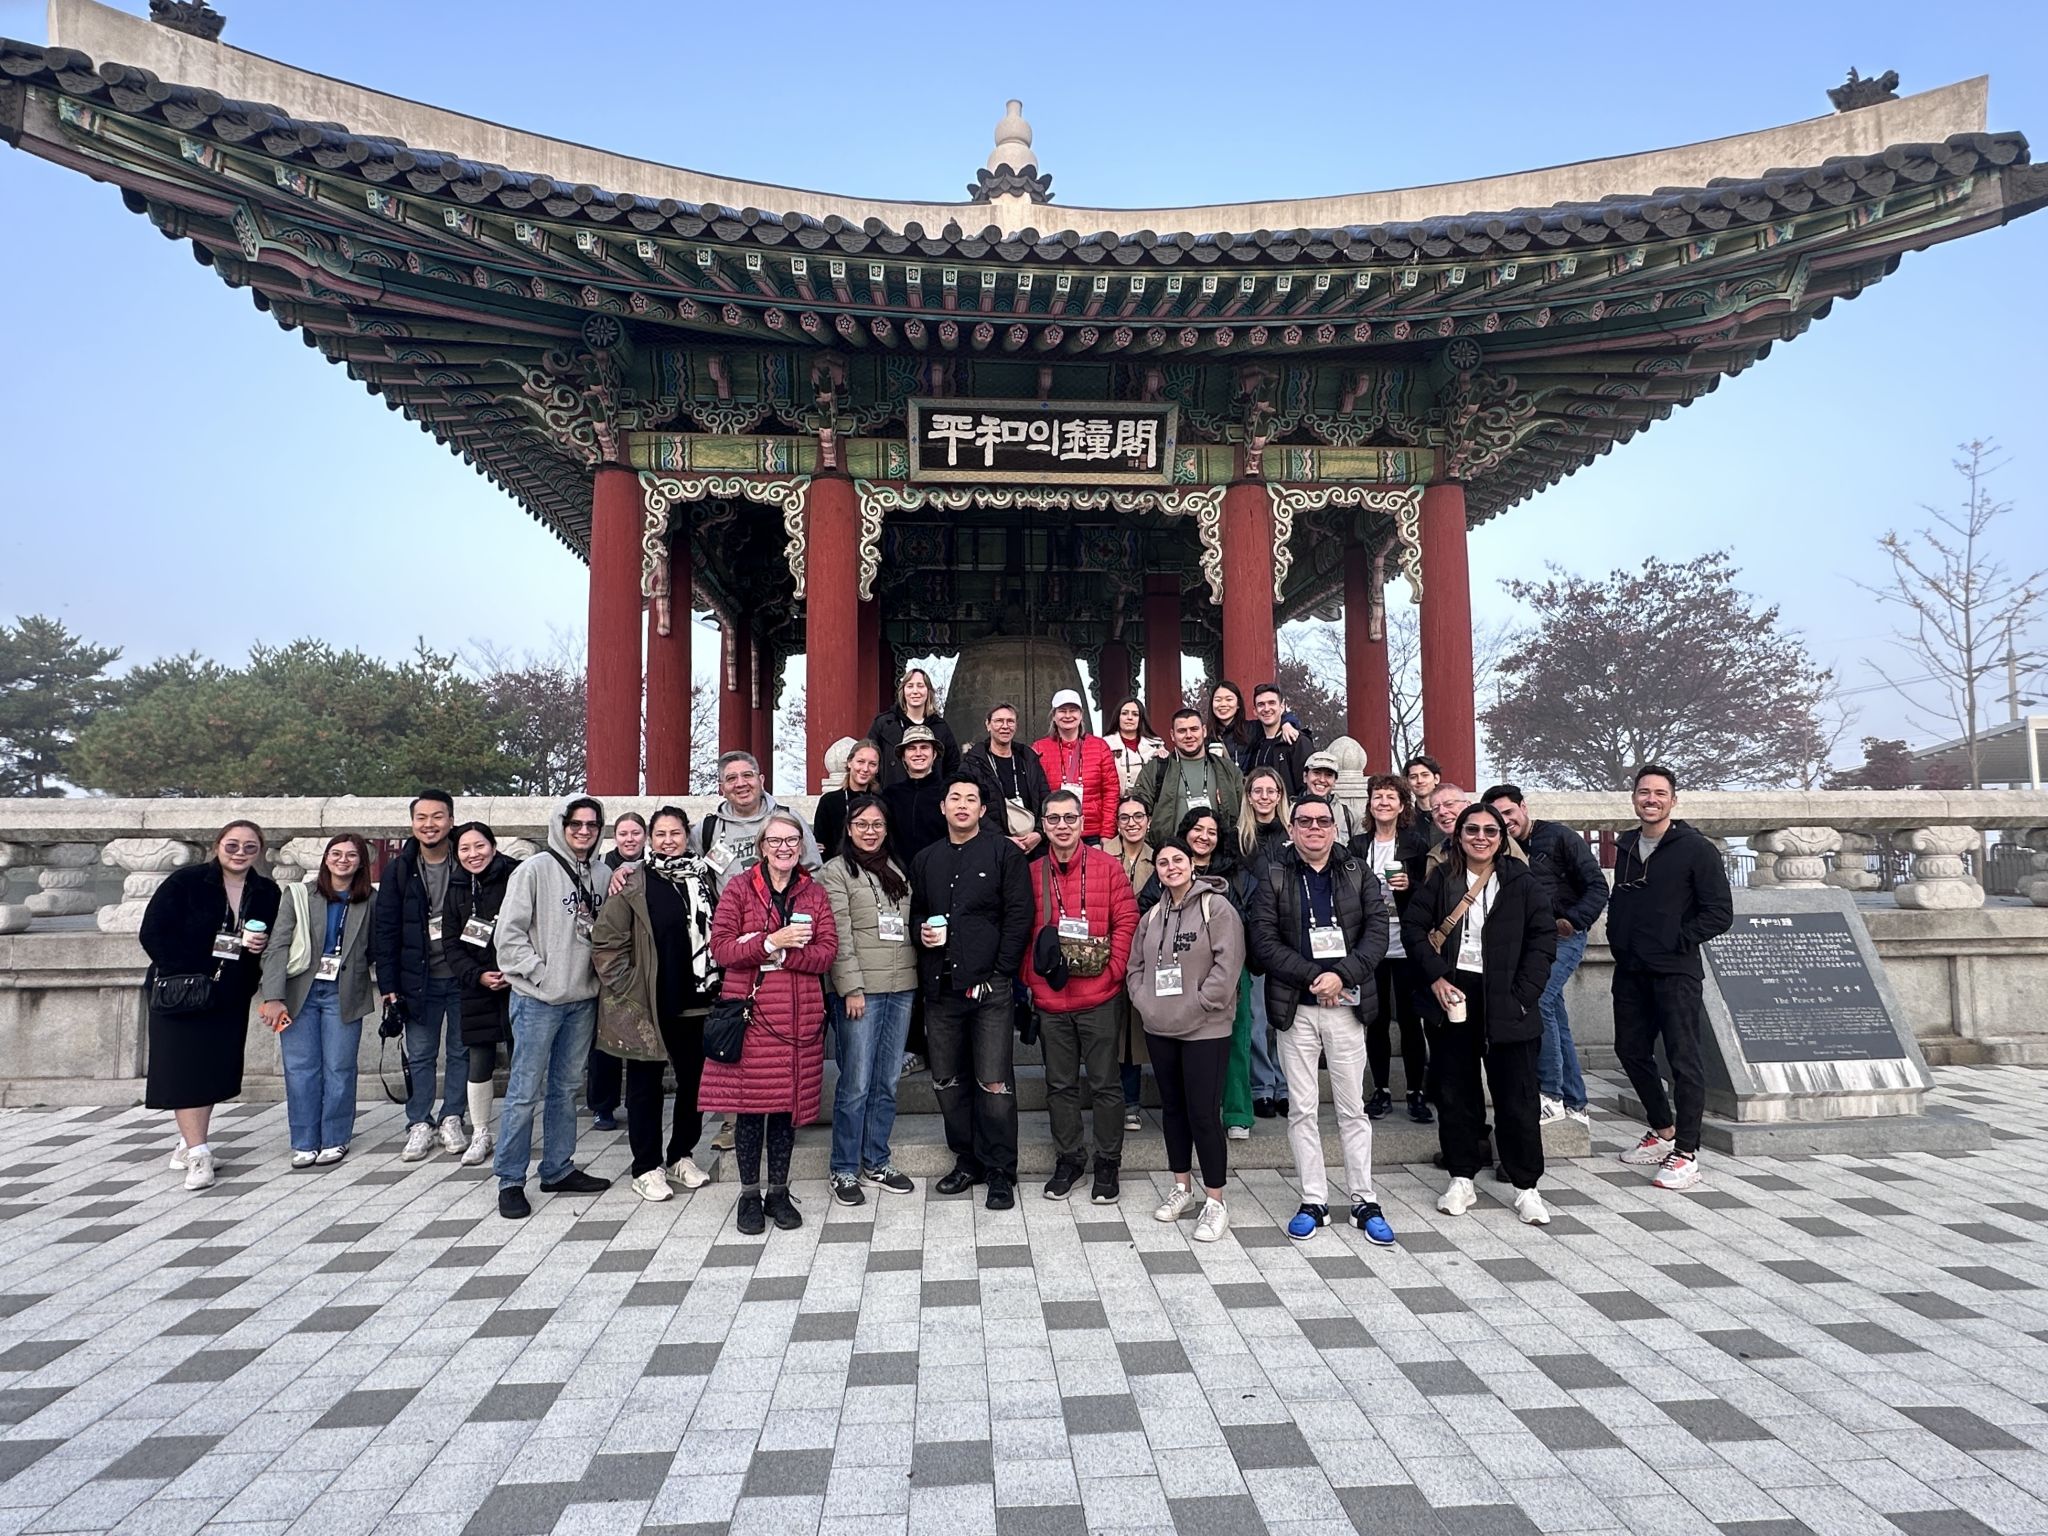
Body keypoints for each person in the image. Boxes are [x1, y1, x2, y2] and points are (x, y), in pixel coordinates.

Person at [1246, 794, 1397, 1247]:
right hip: (1297, 1008)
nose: (1314, 828)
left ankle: (1364, 1199)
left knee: (1353, 1109)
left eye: (1322, 821)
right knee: (1302, 1110)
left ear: (1334, 828)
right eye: (1305, 821)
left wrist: (1341, 976)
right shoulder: (1274, 873)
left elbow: (1377, 934)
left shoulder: (1357, 872)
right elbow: (1263, 939)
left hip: (1347, 1007)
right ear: (1292, 828)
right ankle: (1313, 1199)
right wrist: (1316, 977)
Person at [1404, 803, 1559, 1226]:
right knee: (1455, 1092)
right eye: (1472, 830)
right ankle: (1462, 1176)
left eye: (1491, 831)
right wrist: (1436, 978)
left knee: (1517, 1097)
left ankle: (1526, 1186)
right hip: (1454, 995)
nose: (1481, 838)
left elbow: (1543, 939)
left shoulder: (1521, 881)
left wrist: (1524, 995)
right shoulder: (1442, 879)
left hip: (1508, 998)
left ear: (1502, 838)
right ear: (1458, 836)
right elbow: (1413, 929)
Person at [706, 811, 840, 1234]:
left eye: (792, 841)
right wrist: (769, 941)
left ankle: (779, 1192)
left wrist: (782, 953)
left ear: (802, 846)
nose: (784, 848)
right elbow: (721, 949)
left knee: (785, 1111)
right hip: (752, 1017)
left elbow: (827, 952)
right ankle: (749, 1195)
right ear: (762, 847)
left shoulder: (813, 893)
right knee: (750, 1111)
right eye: (775, 841)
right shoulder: (739, 888)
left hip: (800, 1019)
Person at [1609, 764, 1734, 1193]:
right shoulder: (1627, 845)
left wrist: (1677, 939)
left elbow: (1720, 913)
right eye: (1644, 792)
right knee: (1629, 1050)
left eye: (1660, 793)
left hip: (1675, 971)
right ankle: (1663, 1129)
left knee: (1684, 1059)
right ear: (1634, 798)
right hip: (1630, 967)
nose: (1651, 800)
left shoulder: (1696, 849)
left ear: (1673, 800)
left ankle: (1687, 1151)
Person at [910, 774, 1033, 1209]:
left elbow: (1019, 917)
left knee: (993, 1081)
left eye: (971, 799)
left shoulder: (1004, 853)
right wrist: (921, 932)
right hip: (941, 987)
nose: (962, 805)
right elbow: (916, 913)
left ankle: (1000, 1168)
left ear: (982, 810)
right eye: (954, 798)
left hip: (990, 988)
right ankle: (967, 1159)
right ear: (942, 807)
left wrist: (1000, 972)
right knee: (946, 1079)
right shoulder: (926, 859)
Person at [591, 806, 722, 1201]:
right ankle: (646, 1166)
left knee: (694, 1082)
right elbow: (606, 941)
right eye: (661, 834)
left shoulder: (705, 878)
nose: (668, 841)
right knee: (645, 1086)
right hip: (648, 1000)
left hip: (698, 999)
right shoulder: (633, 883)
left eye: (675, 833)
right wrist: (629, 985)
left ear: (687, 835)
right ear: (650, 838)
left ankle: (681, 1154)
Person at [492, 796, 612, 1219]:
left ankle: (558, 1168)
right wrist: (541, 974)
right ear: (560, 826)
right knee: (524, 1092)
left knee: (565, 1089)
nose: (583, 831)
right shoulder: (534, 870)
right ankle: (510, 1179)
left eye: (592, 825)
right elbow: (508, 936)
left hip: (582, 1001)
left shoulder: (602, 874)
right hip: (537, 1001)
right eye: (575, 824)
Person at [143, 821, 280, 1191]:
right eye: (232, 845)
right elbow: (153, 933)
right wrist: (197, 967)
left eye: (250, 847)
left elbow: (274, 939)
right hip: (183, 992)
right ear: (217, 845)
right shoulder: (186, 882)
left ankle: (187, 1143)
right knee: (185, 1072)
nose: (240, 852)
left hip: (229, 993)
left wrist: (259, 946)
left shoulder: (266, 890)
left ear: (260, 851)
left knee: (211, 1073)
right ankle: (199, 1154)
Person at [1022, 789, 1139, 1204]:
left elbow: (1127, 920)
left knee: (1106, 1084)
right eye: (1053, 819)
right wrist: (1031, 979)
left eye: (1069, 818)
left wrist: (1114, 971)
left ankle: (1108, 1162)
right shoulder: (1032, 873)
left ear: (1083, 822)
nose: (1062, 826)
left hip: (1100, 996)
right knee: (1059, 1085)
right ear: (1043, 825)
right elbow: (1020, 932)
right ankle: (1069, 1158)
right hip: (1051, 1000)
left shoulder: (1108, 868)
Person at [1127, 837, 1244, 1243]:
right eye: (1163, 862)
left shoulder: (1217, 908)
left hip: (1205, 1029)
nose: (1171, 867)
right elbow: (1135, 966)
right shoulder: (1152, 916)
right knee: (1173, 1111)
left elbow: (1228, 965)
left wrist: (1201, 1003)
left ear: (1192, 864)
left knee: (1203, 1114)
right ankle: (1182, 1187)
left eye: (1178, 860)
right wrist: (1144, 1002)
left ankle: (1215, 1200)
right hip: (1160, 1027)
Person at [1486, 783, 1609, 1129]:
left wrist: (1572, 921)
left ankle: (1550, 1094)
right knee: (1555, 1013)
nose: (1505, 821)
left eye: (1509, 812)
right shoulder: (1499, 846)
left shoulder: (1559, 837)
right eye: (1498, 816)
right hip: (1528, 941)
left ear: (1523, 807)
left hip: (1563, 935)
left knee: (1538, 1000)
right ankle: (1575, 1101)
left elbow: (1597, 885)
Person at [820, 794, 919, 1204]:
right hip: (861, 993)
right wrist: (851, 988)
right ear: (848, 828)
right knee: (857, 1083)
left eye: (877, 824)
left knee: (887, 1080)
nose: (870, 831)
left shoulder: (896, 868)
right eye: (861, 824)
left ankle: (876, 1159)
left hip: (901, 986)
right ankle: (844, 1167)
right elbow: (838, 935)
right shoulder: (835, 872)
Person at [258, 834, 375, 1168]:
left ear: (361, 862)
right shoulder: (299, 894)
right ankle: (305, 1140)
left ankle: (336, 1137)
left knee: (340, 1067)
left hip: (344, 992)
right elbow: (278, 945)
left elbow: (378, 945)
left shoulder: (371, 899)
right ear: (325, 859)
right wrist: (273, 996)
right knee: (300, 1069)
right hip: (300, 992)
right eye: (336, 854)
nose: (343, 860)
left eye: (351, 855)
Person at [373, 789, 472, 1161]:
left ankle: (453, 1117)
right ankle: (419, 1122)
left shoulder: (467, 859)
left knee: (461, 1051)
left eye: (437, 817)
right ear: (413, 823)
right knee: (420, 1054)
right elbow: (385, 930)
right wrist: (388, 985)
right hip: (418, 979)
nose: (429, 825)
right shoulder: (400, 868)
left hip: (463, 975)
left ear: (451, 820)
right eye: (422, 818)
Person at [1358, 775, 1433, 1124]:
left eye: (1391, 797)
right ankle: (1381, 1089)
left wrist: (1409, 885)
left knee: (1409, 1020)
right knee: (1375, 1020)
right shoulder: (1358, 845)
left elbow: (1430, 892)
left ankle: (1416, 1091)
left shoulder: (1416, 845)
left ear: (1403, 805)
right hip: (1371, 943)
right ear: (1370, 804)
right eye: (1378, 796)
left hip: (1406, 943)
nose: (1384, 802)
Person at [445, 822, 518, 1168]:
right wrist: (477, 976)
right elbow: (450, 942)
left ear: (494, 845)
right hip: (476, 985)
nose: (473, 854)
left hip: (518, 982)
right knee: (479, 1060)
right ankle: (481, 1131)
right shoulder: (457, 885)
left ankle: (519, 1129)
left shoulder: (516, 876)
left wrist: (513, 970)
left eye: (480, 846)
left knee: (523, 1059)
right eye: (465, 848)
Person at [587, 810, 649, 1131]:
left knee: (641, 1036)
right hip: (609, 960)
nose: (630, 839)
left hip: (645, 960)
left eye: (636, 833)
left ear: (645, 836)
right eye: (623, 834)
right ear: (614, 837)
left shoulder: (654, 866)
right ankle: (603, 1105)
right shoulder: (601, 868)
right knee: (606, 1040)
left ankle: (639, 1103)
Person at [689, 751, 821, 893]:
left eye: (747, 775)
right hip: (728, 906)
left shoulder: (788, 818)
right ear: (722, 789)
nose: (740, 783)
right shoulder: (707, 828)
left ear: (761, 781)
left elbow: (813, 870)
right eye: (731, 778)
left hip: (785, 905)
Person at [1134, 708, 1246, 852]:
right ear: (1172, 735)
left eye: (1194, 729)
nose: (1189, 735)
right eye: (1182, 731)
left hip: (1220, 855)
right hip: (1171, 856)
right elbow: (1137, 812)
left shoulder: (1228, 770)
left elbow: (1245, 813)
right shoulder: (1156, 769)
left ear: (1204, 731)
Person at [1110, 795, 1156, 1126]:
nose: (1132, 823)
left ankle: (1132, 1101)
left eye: (1138, 816)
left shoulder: (1161, 857)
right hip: (1110, 950)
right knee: (1113, 1029)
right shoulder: (1102, 853)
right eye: (1125, 817)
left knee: (1136, 1032)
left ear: (1149, 821)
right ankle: (1116, 1100)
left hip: (1148, 951)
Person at [1032, 689, 1120, 845]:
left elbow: (1111, 792)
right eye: (1062, 711)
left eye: (1073, 710)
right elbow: (1033, 793)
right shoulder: (1039, 748)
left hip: (1092, 831)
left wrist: (1107, 833)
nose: (1068, 715)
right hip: (1054, 831)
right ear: (1053, 716)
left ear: (1081, 714)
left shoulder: (1099, 747)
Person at [960, 703, 1048, 855]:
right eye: (999, 721)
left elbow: (1046, 798)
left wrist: (1040, 833)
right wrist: (1002, 839)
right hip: (991, 849)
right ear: (988, 725)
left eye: (1010, 721)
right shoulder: (973, 763)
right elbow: (969, 806)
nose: (1005, 726)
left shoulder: (1028, 758)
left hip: (1033, 847)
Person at [868, 667, 960, 788]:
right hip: (890, 795)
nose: (915, 691)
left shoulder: (940, 727)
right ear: (903, 691)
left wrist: (944, 791)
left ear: (928, 691)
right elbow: (869, 759)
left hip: (932, 795)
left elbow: (953, 765)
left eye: (920, 686)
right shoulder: (884, 723)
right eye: (910, 686)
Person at [882, 724, 950, 863]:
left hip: (940, 867)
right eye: (911, 748)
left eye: (924, 747)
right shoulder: (890, 795)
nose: (918, 753)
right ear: (903, 756)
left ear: (934, 754)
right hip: (898, 870)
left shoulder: (949, 792)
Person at [813, 739, 883, 859]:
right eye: (860, 762)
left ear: (877, 769)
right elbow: (820, 845)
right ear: (850, 762)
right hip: (837, 866)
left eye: (872, 764)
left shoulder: (882, 802)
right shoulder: (829, 802)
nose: (865, 769)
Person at [1246, 683, 1310, 795]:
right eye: (1261, 704)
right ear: (1255, 711)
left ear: (1282, 707)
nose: (1266, 709)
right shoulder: (1254, 744)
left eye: (1272, 703)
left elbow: (1306, 785)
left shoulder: (1296, 741)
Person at [1237, 766, 1292, 875]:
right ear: (1249, 796)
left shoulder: (1292, 835)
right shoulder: (1238, 839)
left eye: (1270, 791)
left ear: (1279, 796)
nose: (1264, 796)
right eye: (1258, 791)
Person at [1108, 697, 1167, 795]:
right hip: (1116, 801)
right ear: (1118, 717)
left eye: (1135, 714)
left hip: (1150, 801)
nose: (1129, 718)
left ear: (1141, 719)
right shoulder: (1105, 744)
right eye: (1124, 713)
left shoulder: (1156, 745)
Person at [1303, 751, 1361, 841]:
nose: (1322, 780)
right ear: (1305, 776)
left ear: (1334, 781)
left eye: (1328, 775)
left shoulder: (1350, 815)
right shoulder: (1288, 812)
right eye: (1317, 773)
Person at [1204, 680, 1253, 771]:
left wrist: (1285, 722)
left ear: (1238, 704)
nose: (1223, 704)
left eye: (1229, 699)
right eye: (1218, 700)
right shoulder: (1205, 735)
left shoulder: (1253, 729)